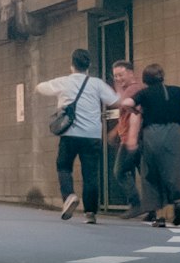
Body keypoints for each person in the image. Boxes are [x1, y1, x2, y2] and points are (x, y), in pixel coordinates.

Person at [37, 49, 119, 223]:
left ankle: (69, 196)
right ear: (88, 66)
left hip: (70, 134)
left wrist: (62, 101)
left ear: (72, 65)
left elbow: (40, 87)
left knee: (64, 166)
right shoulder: (97, 84)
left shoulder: (65, 82)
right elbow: (115, 101)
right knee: (90, 174)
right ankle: (90, 213)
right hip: (92, 136)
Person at [133, 64, 180, 228]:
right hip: (174, 134)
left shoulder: (145, 93)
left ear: (145, 79)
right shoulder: (175, 90)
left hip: (152, 134)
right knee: (174, 170)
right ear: (162, 76)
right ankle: (177, 200)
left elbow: (128, 102)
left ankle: (156, 213)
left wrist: (137, 112)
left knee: (151, 172)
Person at [109, 59, 143, 208]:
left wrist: (131, 138)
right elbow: (126, 115)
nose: (117, 79)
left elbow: (125, 106)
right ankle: (151, 210)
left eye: (120, 75)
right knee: (143, 172)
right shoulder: (132, 89)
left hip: (131, 139)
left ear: (130, 73)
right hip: (130, 137)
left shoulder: (133, 89)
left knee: (120, 171)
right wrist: (115, 131)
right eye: (115, 76)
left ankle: (136, 203)